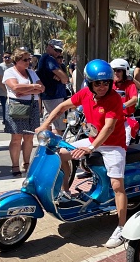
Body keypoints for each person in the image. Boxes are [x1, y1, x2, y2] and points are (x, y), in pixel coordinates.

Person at [37, 59, 128, 247]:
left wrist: (91, 148)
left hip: (113, 145)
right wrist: (45, 124)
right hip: (93, 140)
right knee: (61, 153)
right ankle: (65, 191)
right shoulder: (85, 93)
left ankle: (122, 227)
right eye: (98, 83)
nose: (102, 87)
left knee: (117, 185)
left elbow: (109, 128)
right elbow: (63, 106)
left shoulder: (114, 99)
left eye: (105, 83)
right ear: (89, 83)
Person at [3, 48, 45, 177]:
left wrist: (27, 90)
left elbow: (42, 88)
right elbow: (15, 88)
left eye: (29, 59)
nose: (28, 62)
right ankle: (15, 165)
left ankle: (26, 163)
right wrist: (33, 88)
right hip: (16, 106)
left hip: (32, 105)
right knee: (16, 137)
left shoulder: (31, 72)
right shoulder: (9, 72)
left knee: (29, 137)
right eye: (25, 60)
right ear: (17, 60)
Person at [37, 39, 69, 135]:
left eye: (60, 51)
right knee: (58, 125)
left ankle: (47, 145)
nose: (58, 53)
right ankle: (57, 147)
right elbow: (65, 79)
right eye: (56, 50)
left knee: (49, 122)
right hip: (54, 95)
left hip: (49, 96)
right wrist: (60, 75)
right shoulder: (49, 59)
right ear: (49, 47)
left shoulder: (45, 58)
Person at [111, 58, 138, 145]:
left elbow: (134, 99)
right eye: (114, 70)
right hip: (112, 119)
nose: (116, 73)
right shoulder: (110, 85)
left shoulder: (130, 85)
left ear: (124, 72)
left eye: (118, 70)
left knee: (124, 144)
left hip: (126, 119)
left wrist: (123, 105)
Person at [0, 50, 14, 125]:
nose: (7, 59)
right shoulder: (0, 67)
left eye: (9, 57)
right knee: (5, 108)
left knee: (13, 108)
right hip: (4, 92)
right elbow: (0, 81)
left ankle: (11, 122)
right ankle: (6, 122)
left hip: (14, 92)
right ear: (3, 58)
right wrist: (6, 92)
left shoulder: (13, 66)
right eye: (6, 57)